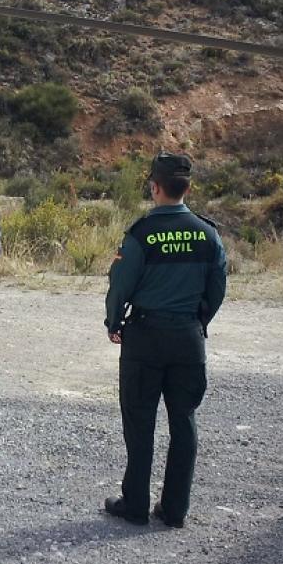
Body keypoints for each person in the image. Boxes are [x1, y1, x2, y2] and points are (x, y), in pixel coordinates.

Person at [102, 152, 227, 528]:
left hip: (145, 337)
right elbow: (218, 287)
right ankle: (174, 510)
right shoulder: (208, 234)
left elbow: (119, 285)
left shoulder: (141, 234)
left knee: (139, 422)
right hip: (188, 338)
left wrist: (113, 321)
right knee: (184, 421)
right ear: (188, 187)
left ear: (154, 187)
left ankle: (136, 505)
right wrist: (196, 318)